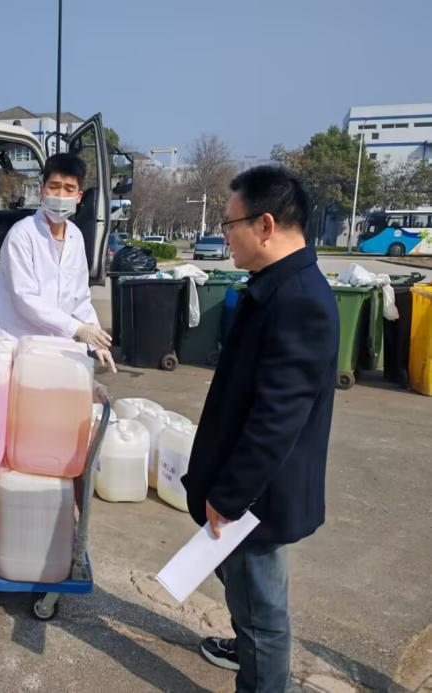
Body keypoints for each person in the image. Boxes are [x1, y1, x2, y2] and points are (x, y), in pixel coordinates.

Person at [182, 166, 339, 691]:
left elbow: (277, 420)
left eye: (230, 225)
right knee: (247, 596)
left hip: (256, 497)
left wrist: (229, 496)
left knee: (263, 617)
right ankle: (246, 650)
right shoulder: (277, 287)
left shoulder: (299, 301)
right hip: (245, 486)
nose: (225, 236)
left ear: (265, 225)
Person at [0, 153, 116, 371]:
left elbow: (80, 297)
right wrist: (77, 328)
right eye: (54, 187)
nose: (60, 195)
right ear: (42, 191)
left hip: (55, 349)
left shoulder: (75, 237)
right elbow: (25, 299)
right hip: (18, 346)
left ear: (79, 196)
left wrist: (96, 339)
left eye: (69, 189)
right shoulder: (22, 234)